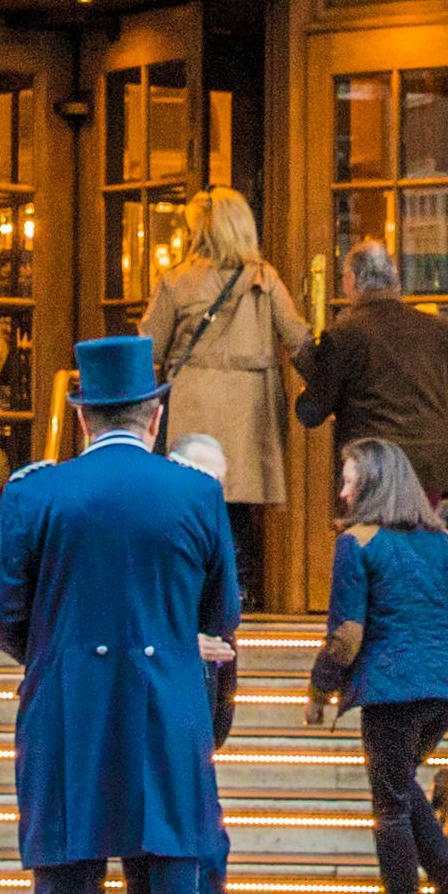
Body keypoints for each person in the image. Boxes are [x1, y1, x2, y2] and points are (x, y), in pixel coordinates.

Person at [0, 333, 245, 894]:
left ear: (81, 413)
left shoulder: (36, 493)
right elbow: (220, 613)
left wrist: (57, 655)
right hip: (165, 716)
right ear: (155, 410)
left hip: (67, 718)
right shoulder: (193, 495)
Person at [305, 437, 448, 894]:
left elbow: (348, 634)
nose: (342, 489)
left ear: (374, 485)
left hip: (393, 689)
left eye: (349, 479)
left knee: (389, 808)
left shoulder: (357, 543)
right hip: (447, 688)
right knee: (401, 784)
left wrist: (318, 688)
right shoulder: (443, 542)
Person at [142, 190, 309, 605]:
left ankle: (195, 593)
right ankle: (239, 588)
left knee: (193, 499)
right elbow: (298, 338)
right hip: (251, 405)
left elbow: (149, 347)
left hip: (195, 400)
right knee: (239, 504)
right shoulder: (264, 279)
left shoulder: (178, 280)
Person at [163, 430, 269, 894]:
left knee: (192, 837)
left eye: (221, 482)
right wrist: (181, 638)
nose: (215, 492)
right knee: (202, 836)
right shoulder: (176, 525)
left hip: (196, 697)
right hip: (173, 699)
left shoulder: (202, 522)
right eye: (207, 476)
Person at [294, 239, 448, 515]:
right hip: (435, 473)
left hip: (375, 475)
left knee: (377, 552)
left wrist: (303, 385)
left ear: (353, 280)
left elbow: (311, 412)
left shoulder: (343, 335)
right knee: (427, 550)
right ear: (395, 281)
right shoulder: (438, 329)